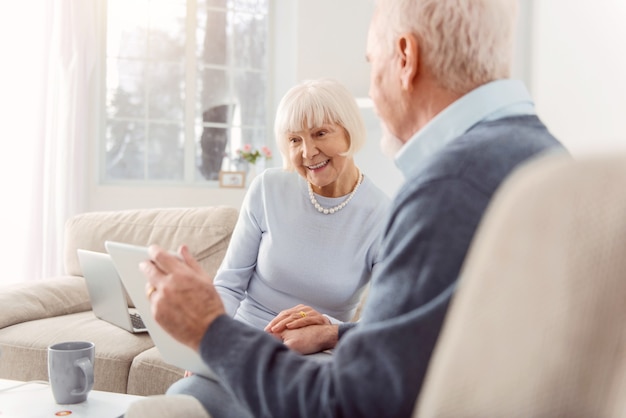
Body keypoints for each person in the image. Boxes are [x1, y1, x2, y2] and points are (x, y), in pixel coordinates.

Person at [139, 0, 567, 417]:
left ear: (405, 58)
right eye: (295, 139)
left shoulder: (446, 188)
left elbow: (354, 402)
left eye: (369, 62)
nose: (371, 90)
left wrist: (209, 331)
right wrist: (333, 333)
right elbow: (416, 341)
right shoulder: (546, 162)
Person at [210, 78, 389, 335]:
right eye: (295, 139)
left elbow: (383, 325)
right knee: (192, 378)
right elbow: (227, 285)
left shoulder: (384, 216)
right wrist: (210, 342)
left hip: (316, 354)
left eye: (320, 133)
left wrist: (327, 331)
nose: (308, 152)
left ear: (350, 131)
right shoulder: (267, 188)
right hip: (243, 340)